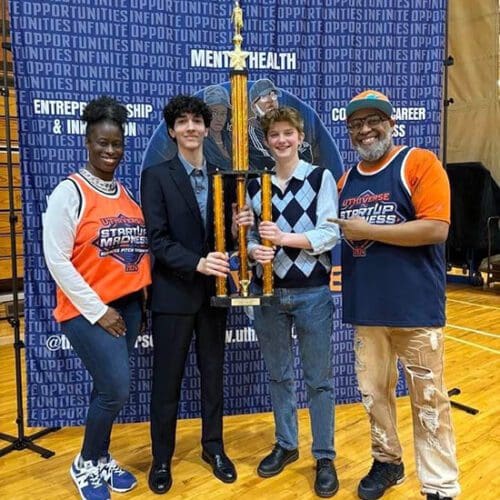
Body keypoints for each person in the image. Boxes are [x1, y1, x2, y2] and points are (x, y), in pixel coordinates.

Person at [332, 90, 460, 500]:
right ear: (349, 131)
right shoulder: (345, 180)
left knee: (428, 399)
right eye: (356, 124)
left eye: (374, 121)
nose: (366, 130)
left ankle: (440, 484)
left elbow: (435, 228)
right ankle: (388, 461)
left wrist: (367, 230)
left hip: (415, 308)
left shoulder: (418, 162)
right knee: (373, 396)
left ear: (391, 123)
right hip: (367, 310)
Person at [140, 95, 253, 495]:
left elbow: (231, 236)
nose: (190, 128)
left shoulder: (224, 175)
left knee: (213, 379)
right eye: (182, 122)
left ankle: (214, 449)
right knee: (166, 383)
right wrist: (197, 263)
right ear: (172, 131)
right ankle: (161, 459)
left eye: (196, 121)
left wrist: (243, 222)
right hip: (173, 296)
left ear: (207, 128)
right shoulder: (155, 175)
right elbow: (157, 240)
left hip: (214, 296)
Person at [43, 96, 151, 500]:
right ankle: (86, 462)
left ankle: (101, 457)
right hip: (88, 311)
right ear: (87, 142)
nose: (110, 151)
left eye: (117, 144)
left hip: (127, 307)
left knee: (105, 388)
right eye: (102, 143)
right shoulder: (69, 192)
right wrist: (99, 311)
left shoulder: (124, 193)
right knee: (116, 389)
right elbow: (55, 259)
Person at [247, 106, 341, 498]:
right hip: (268, 293)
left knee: (318, 381)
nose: (282, 140)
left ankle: (324, 456)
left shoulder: (319, 178)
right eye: (274, 135)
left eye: (289, 133)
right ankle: (287, 444)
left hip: (313, 293)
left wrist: (282, 239)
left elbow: (329, 234)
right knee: (279, 375)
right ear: (267, 142)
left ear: (300, 137)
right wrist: (255, 251)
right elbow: (250, 237)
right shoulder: (256, 185)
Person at [248, 78, 313, 170]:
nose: (270, 100)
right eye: (264, 97)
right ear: (254, 107)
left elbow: (306, 153)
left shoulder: (289, 123)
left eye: (273, 95)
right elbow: (267, 161)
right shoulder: (253, 129)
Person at [202, 85, 232, 170]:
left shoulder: (231, 139)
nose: (219, 118)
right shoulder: (200, 142)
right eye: (214, 113)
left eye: (223, 113)